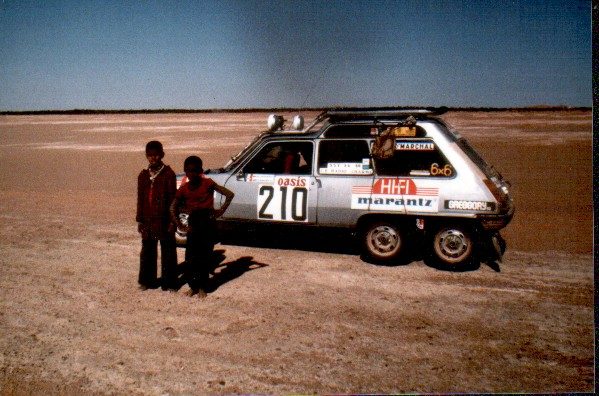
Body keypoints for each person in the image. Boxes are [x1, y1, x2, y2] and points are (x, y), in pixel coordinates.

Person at [170, 156, 234, 298]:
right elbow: (172, 208)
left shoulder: (208, 183)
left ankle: (202, 288)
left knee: (204, 257)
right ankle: (193, 287)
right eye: (189, 171)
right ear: (185, 172)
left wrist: (220, 211)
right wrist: (180, 225)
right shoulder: (184, 189)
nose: (191, 174)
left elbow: (229, 194)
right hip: (194, 224)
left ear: (200, 171)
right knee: (191, 257)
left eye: (195, 171)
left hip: (207, 223)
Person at [136, 141, 178, 291]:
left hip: (164, 219)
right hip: (148, 220)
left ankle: (170, 283)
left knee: (168, 251)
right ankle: (147, 281)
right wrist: (140, 220)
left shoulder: (168, 174)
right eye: (149, 155)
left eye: (155, 155)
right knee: (147, 251)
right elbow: (140, 199)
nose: (152, 158)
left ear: (161, 155)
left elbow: (173, 199)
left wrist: (173, 221)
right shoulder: (143, 175)